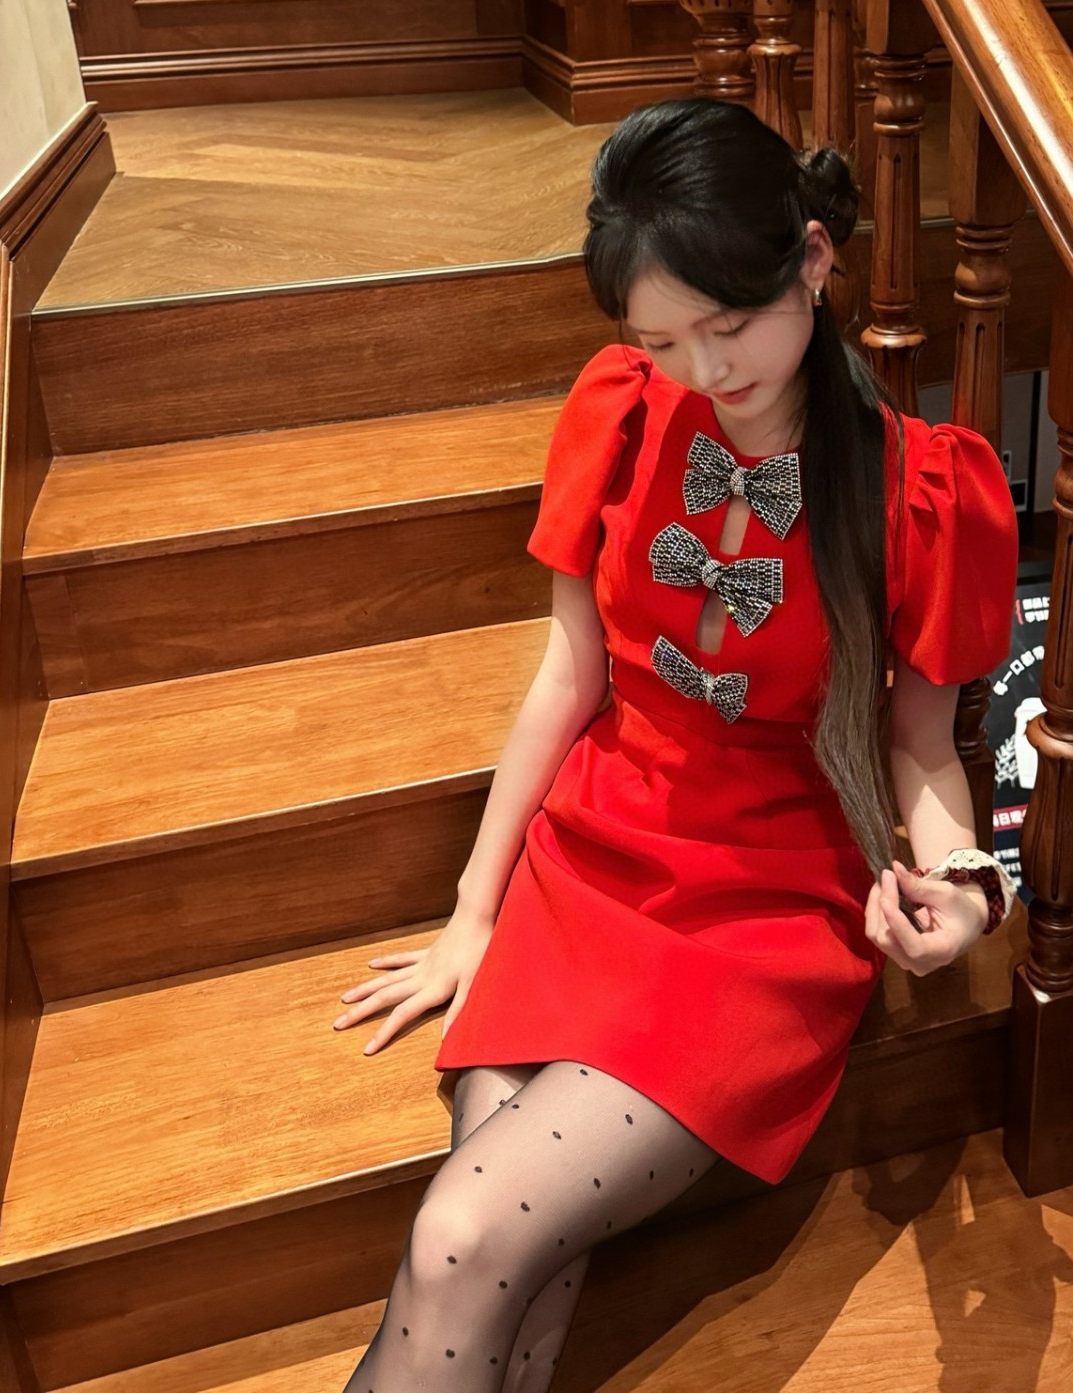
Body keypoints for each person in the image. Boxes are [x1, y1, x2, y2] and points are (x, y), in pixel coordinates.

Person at [334, 98, 1019, 1392]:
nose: (705, 370)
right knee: (498, 1264)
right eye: (660, 339)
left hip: (762, 908)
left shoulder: (917, 485)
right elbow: (568, 676)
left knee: (462, 1231)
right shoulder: (621, 413)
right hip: (595, 850)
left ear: (812, 260)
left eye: (729, 323)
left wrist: (972, 892)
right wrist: (473, 912)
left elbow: (925, 752)